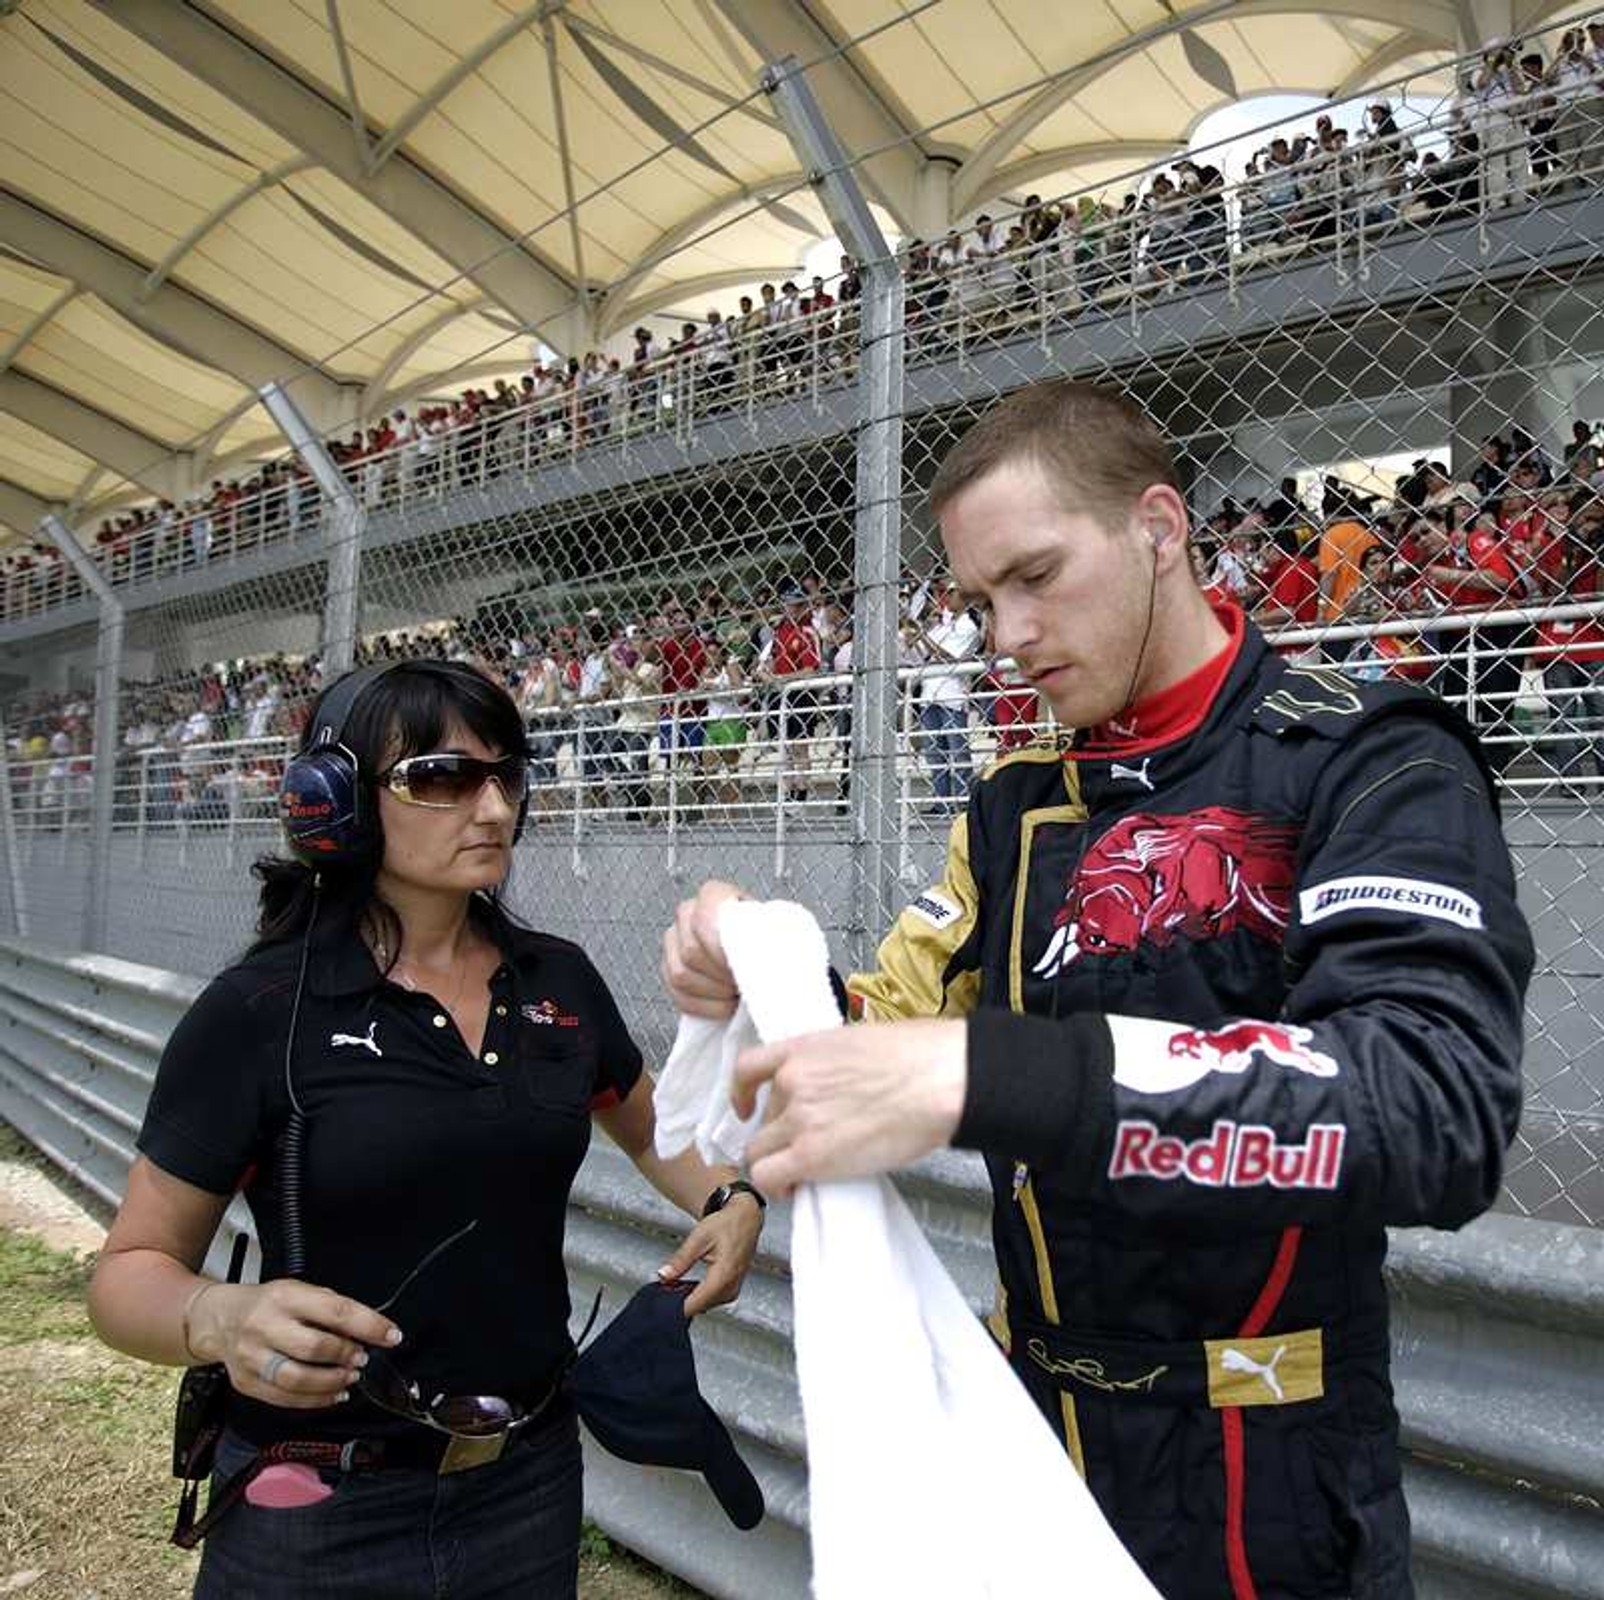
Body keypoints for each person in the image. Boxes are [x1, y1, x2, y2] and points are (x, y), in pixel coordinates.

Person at [662, 381, 1533, 1600]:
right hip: (1031, 1443)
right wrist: (752, 961)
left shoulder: (1368, 756)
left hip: (1266, 1455)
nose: (1003, 635)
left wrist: (995, 1073)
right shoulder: (1016, 804)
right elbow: (887, 1034)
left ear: (1158, 528)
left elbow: (1433, 1109)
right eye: (975, 602)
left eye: (1034, 576)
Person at [88, 660, 765, 1599]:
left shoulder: (557, 982)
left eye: (507, 775)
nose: (491, 808)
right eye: (442, 777)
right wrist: (217, 1316)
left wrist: (732, 1196)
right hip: (316, 1504)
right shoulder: (258, 1011)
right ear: (338, 800)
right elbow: (126, 1276)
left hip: (526, 1483)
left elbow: (650, 1129)